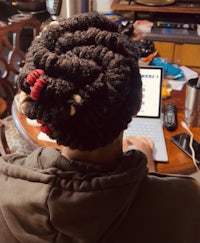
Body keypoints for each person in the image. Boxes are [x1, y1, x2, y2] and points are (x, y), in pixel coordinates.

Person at [0, 12, 200, 243]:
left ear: (45, 116)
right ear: (137, 103)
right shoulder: (185, 201)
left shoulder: (5, 187)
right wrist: (147, 172)